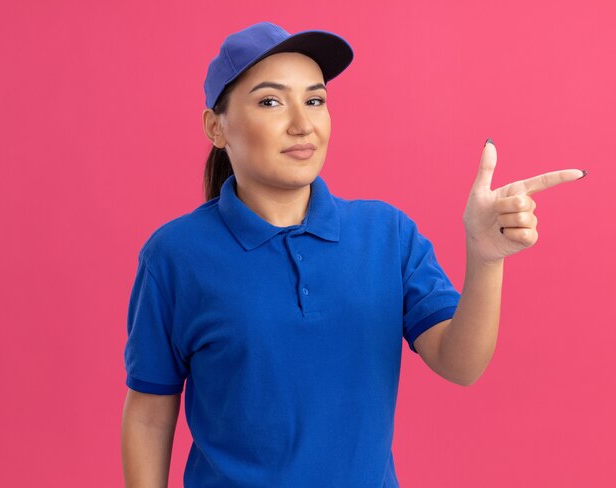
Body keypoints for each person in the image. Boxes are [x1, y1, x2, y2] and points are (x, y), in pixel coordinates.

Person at [121, 21, 586, 488]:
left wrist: (485, 258)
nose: (302, 124)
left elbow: (460, 364)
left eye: (315, 100)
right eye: (270, 101)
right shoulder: (174, 256)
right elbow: (149, 416)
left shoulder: (386, 235)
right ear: (215, 127)